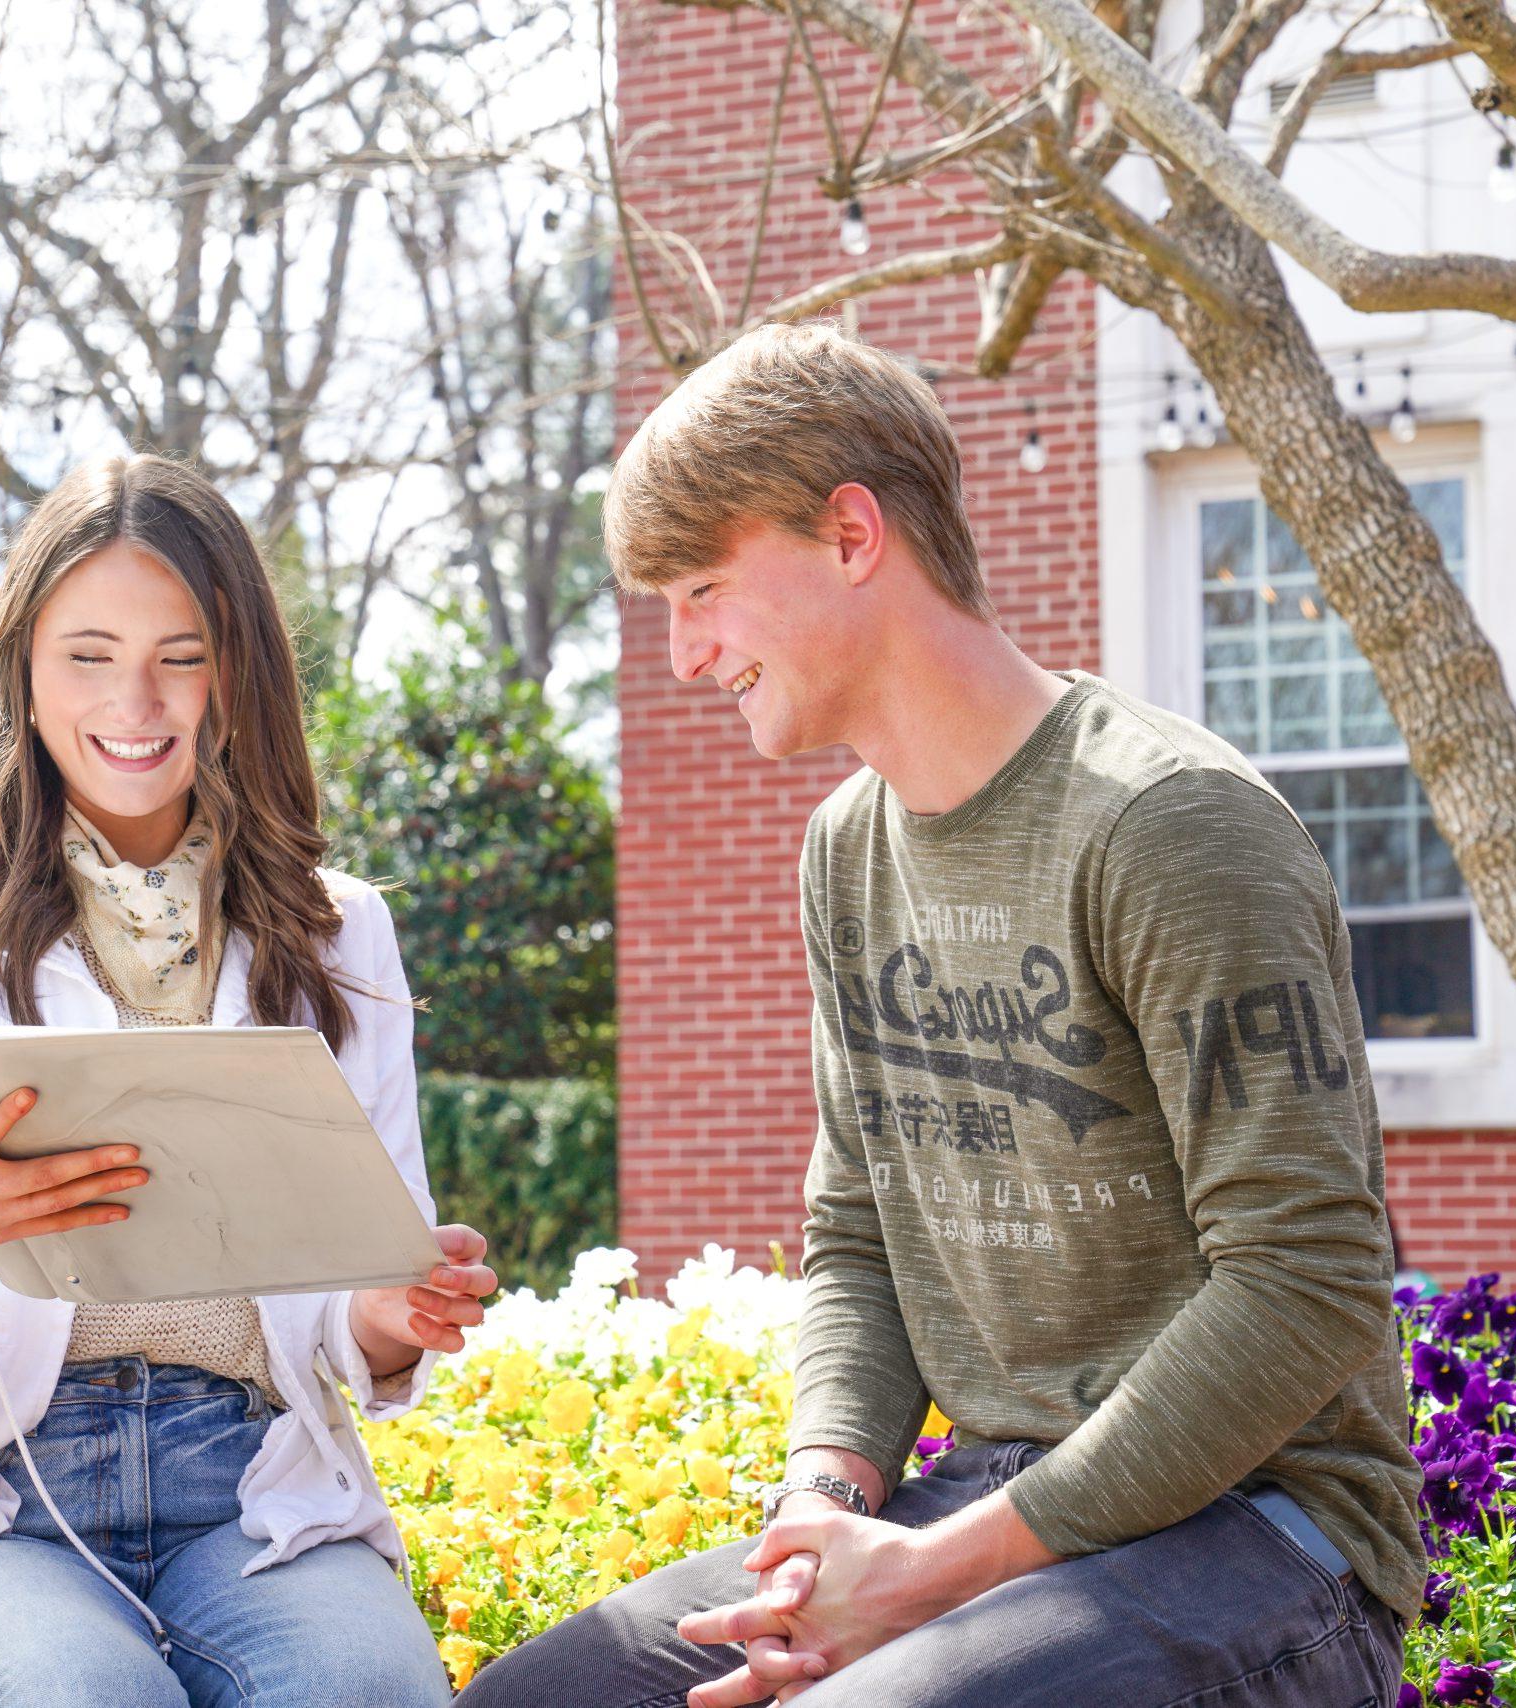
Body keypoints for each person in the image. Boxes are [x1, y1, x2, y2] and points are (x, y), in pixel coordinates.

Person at [460, 324, 1420, 1708]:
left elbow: (1307, 1276)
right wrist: (824, 1523)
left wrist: (931, 1575)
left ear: (852, 536)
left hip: (1269, 1538)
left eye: (704, 588)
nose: (682, 654)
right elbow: (860, 1234)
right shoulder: (846, 854)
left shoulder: (1167, 826)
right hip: (990, 1507)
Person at [0, 454, 495, 1708]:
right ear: (23, 673)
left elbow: (346, 1294)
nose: (135, 699)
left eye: (181, 654)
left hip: (249, 1493)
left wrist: (390, 1312)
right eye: (88, 653)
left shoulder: (338, 930)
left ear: (237, 672)